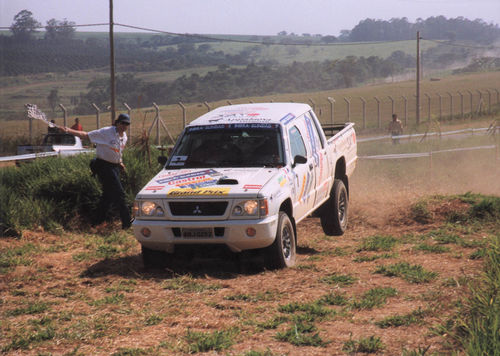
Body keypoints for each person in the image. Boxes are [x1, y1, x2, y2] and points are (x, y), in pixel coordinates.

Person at [57, 114, 132, 229]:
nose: (124, 126)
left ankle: (97, 222)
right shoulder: (106, 132)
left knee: (107, 196)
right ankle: (127, 223)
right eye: (122, 123)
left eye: (126, 124)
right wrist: (68, 130)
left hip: (115, 167)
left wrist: (120, 162)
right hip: (104, 166)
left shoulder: (124, 137)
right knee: (120, 194)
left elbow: (118, 151)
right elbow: (85, 135)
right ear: (117, 123)